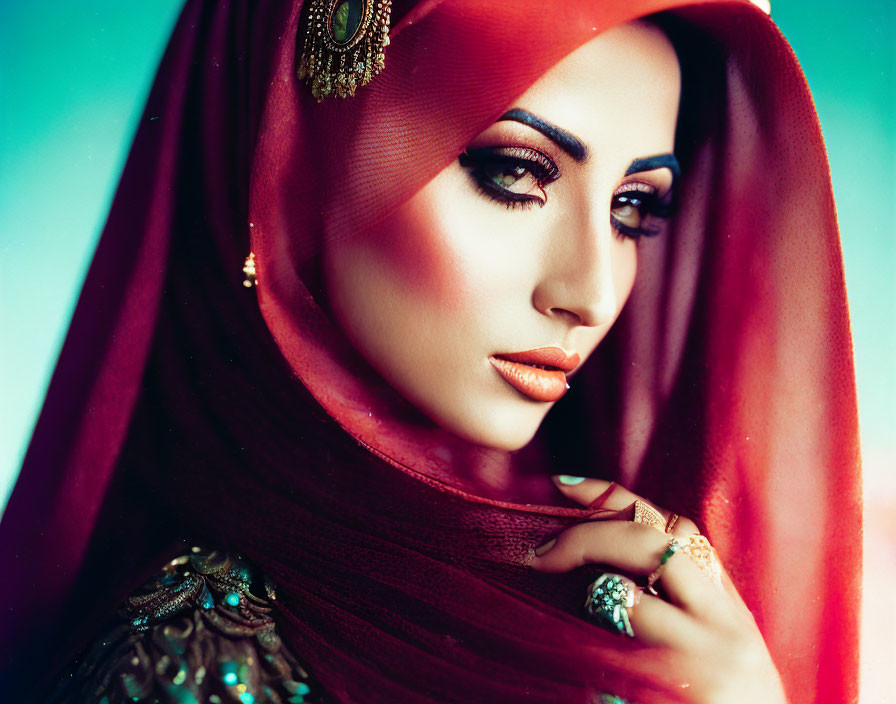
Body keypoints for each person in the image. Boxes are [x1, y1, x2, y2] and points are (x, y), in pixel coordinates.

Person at [0, 0, 861, 702]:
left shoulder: (618, 591)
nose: (591, 293)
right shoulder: (189, 657)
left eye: (633, 208)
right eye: (516, 171)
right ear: (301, 164)